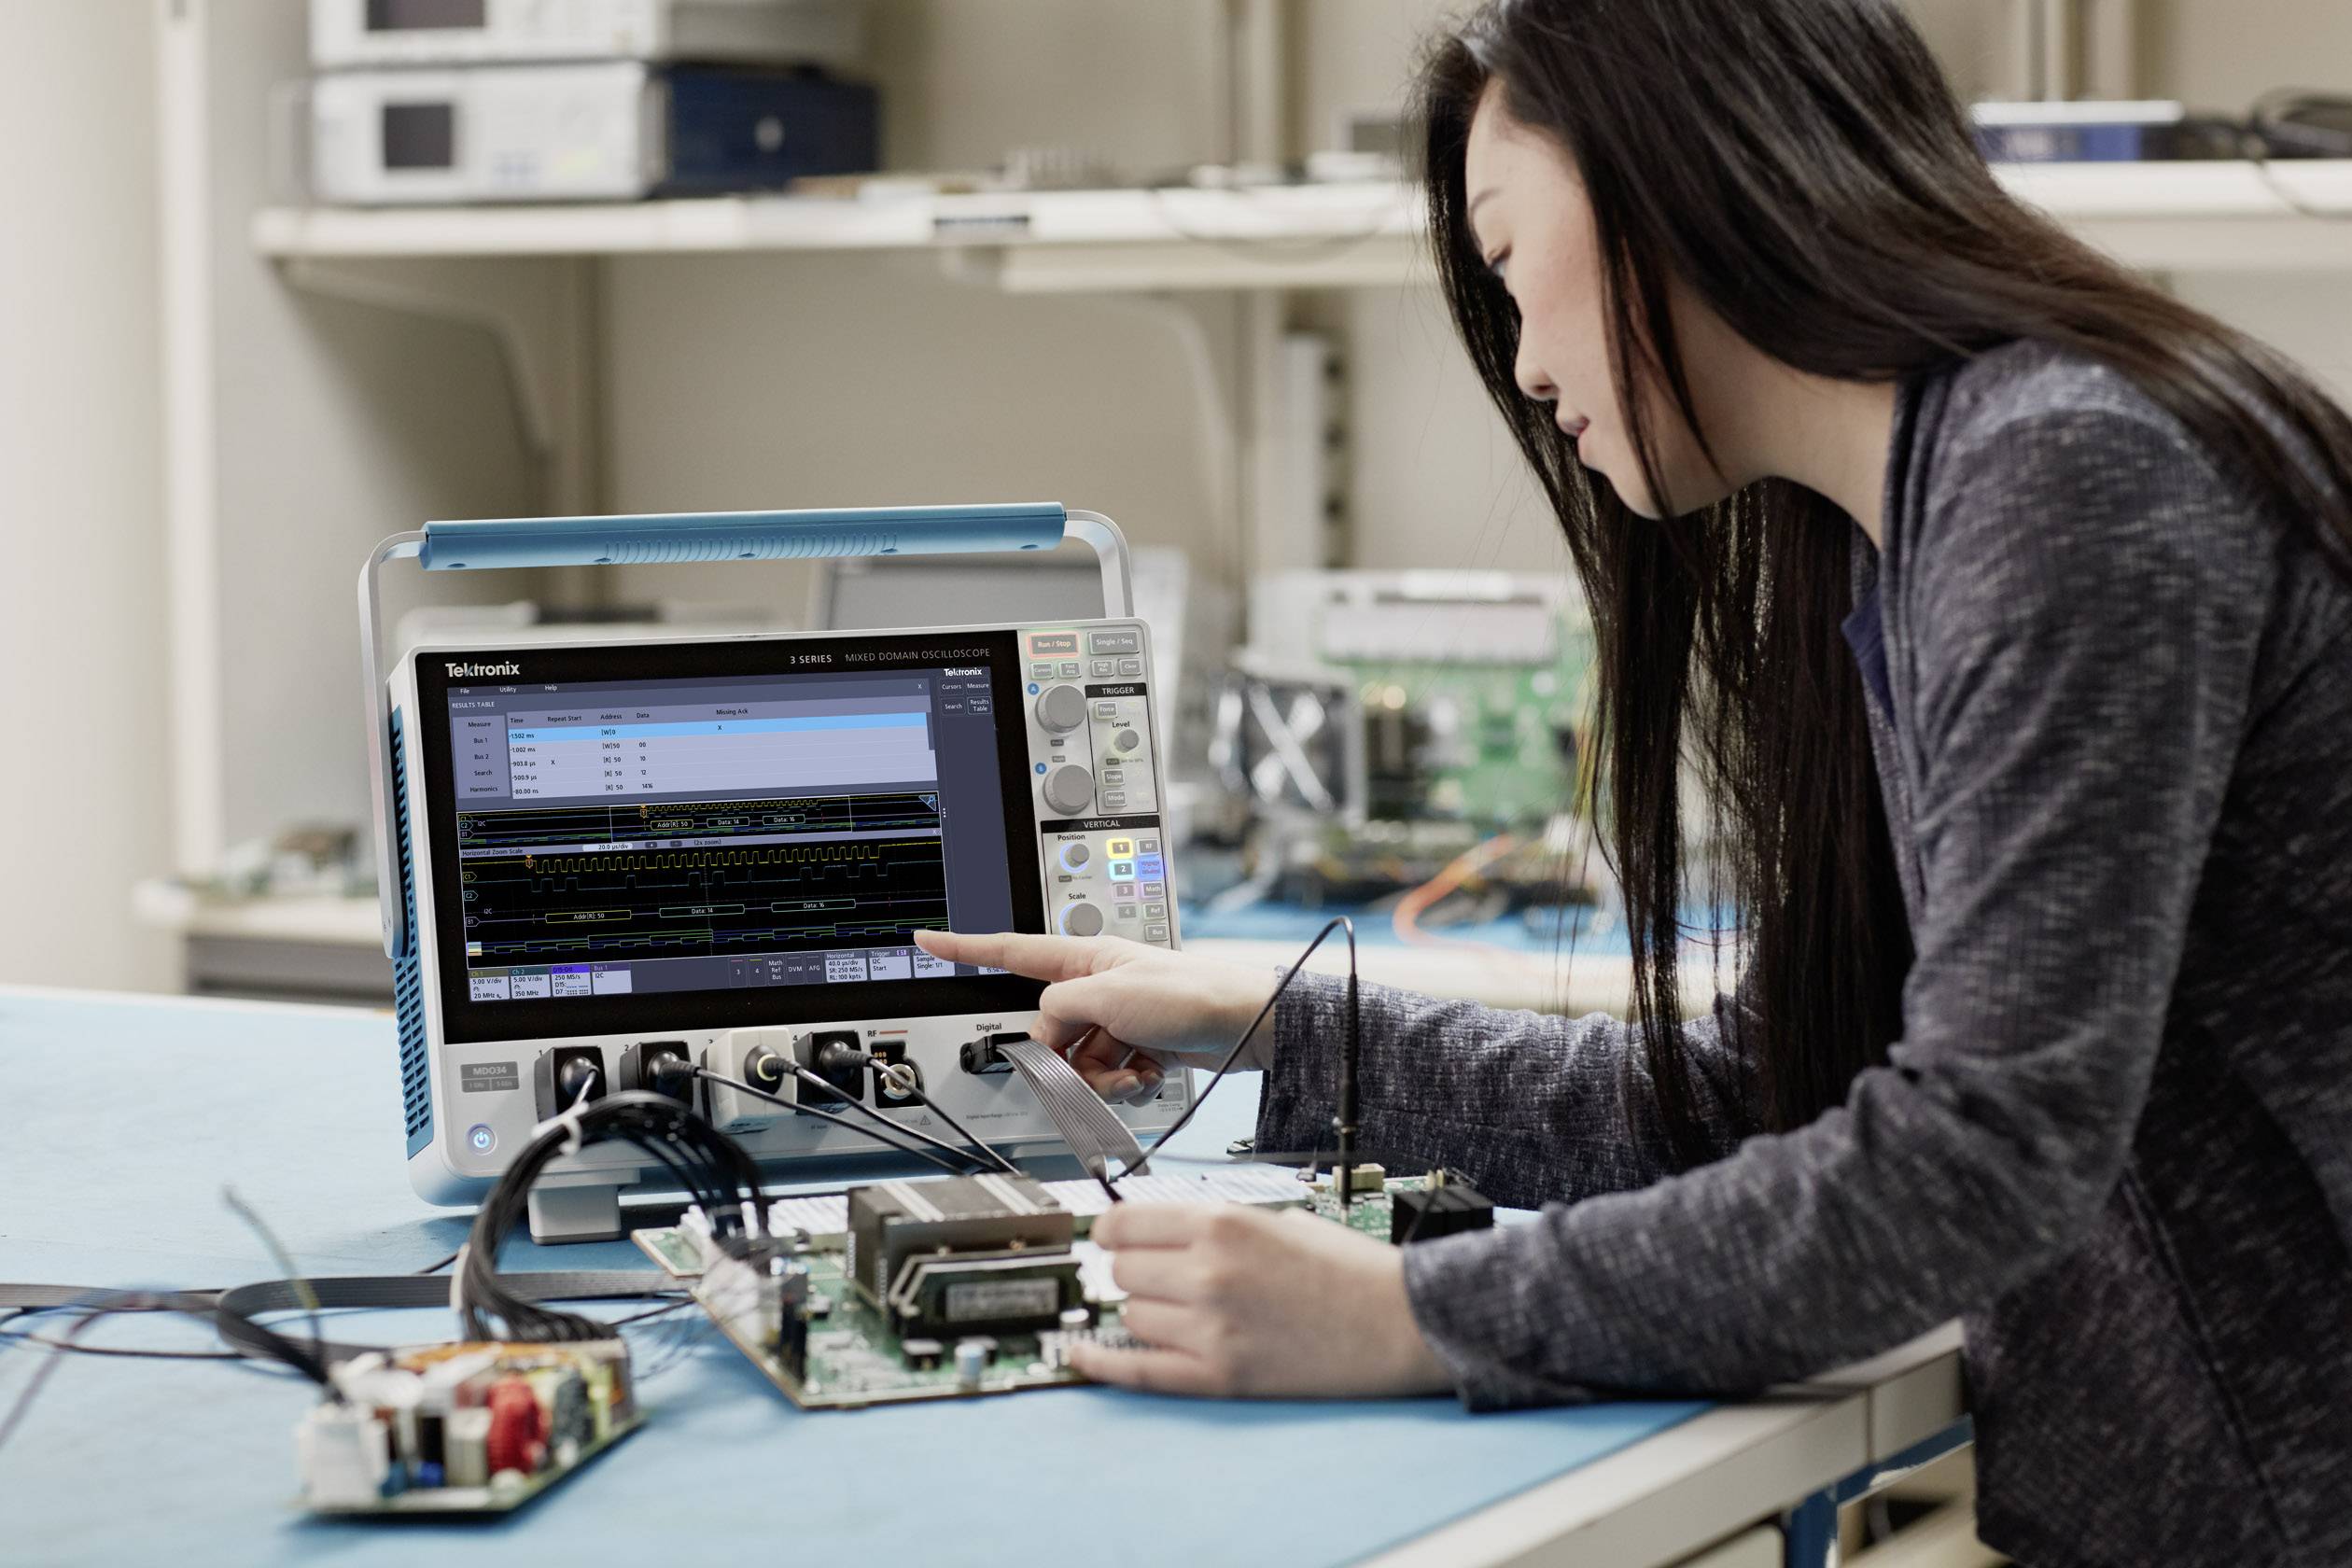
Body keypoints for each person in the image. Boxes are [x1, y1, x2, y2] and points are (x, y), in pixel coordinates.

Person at [922, 0, 2352, 1560]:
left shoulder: (2068, 478)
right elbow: (1752, 1103)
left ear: (1667, 181)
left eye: (1510, 264)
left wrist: (1410, 1316)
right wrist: (1275, 1022)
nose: (1526, 367)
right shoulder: (1920, 527)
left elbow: (1975, 1162)